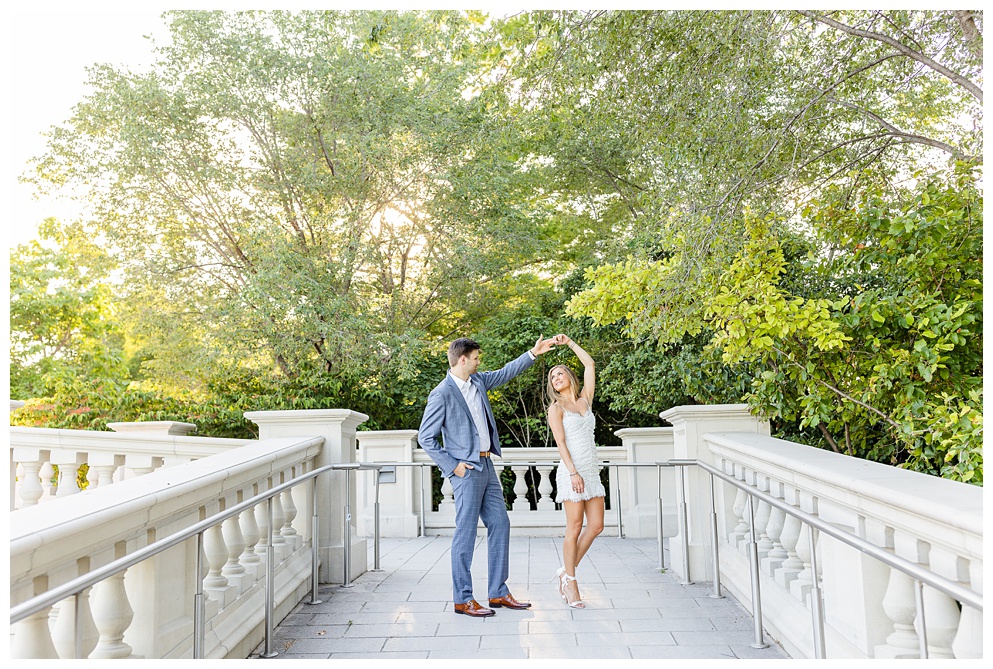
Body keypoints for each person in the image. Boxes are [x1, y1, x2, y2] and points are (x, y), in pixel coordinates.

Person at [419, 335, 557, 617]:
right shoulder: (441, 393)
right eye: (476, 358)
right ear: (462, 359)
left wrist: (533, 353)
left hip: (487, 465)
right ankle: (463, 599)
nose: (479, 362)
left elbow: (506, 372)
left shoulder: (478, 382)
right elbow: (426, 438)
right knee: (466, 533)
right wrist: (453, 466)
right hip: (466, 471)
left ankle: (498, 592)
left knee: (500, 523)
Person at [547, 334, 604, 609]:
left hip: (591, 470)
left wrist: (569, 343)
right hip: (572, 472)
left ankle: (564, 571)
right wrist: (572, 472)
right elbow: (560, 441)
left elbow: (590, 364)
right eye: (552, 377)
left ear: (569, 376)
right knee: (575, 527)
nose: (556, 377)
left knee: (596, 526)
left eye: (560, 373)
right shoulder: (556, 408)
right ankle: (571, 583)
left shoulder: (585, 401)